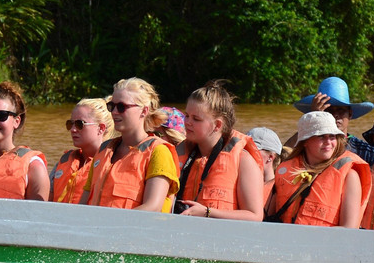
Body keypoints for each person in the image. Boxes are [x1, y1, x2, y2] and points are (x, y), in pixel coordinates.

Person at [82, 77, 179, 212]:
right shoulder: (103, 150)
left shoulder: (158, 152)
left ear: (144, 111)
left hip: (131, 231)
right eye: (111, 106)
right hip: (97, 230)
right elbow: (83, 204)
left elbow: (153, 207)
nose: (114, 112)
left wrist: (111, 226)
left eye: (122, 107)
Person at [174, 81, 265, 221]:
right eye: (186, 115)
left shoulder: (243, 160)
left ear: (217, 125)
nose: (187, 122)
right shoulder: (179, 153)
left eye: (196, 119)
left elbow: (254, 216)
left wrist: (207, 212)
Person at [267, 111, 370, 227]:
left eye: (332, 136)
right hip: (286, 241)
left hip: (325, 244)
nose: (328, 142)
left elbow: (349, 229)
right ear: (305, 141)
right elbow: (270, 216)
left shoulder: (350, 175)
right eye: (321, 136)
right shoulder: (286, 169)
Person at [291, 76, 374, 165]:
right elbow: (285, 154)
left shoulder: (365, 152)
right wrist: (314, 120)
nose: (335, 115)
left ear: (350, 114)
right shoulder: (308, 145)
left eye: (340, 110)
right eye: (328, 110)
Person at [50, 98, 114, 203]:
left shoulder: (112, 164)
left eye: (80, 124)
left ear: (101, 128)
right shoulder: (62, 163)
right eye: (70, 124)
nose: (73, 129)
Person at [247, 127, 282, 214]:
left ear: (270, 157)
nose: (246, 154)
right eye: (244, 149)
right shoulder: (240, 183)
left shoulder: (280, 188)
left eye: (252, 151)